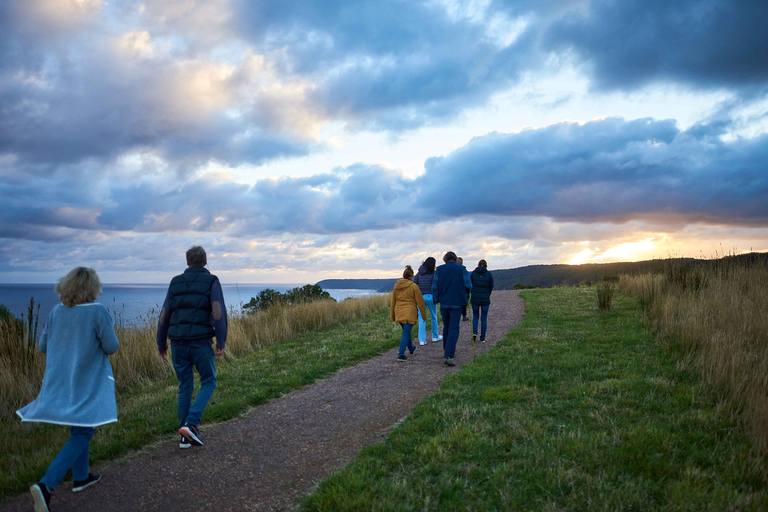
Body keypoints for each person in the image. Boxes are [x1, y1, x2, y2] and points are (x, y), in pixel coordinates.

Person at [17, 267, 119, 512]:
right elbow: (112, 346)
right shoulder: (98, 311)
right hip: (86, 381)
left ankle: (80, 477)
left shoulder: (56, 311)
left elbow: (43, 346)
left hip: (62, 380)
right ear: (91, 288)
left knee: (79, 425)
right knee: (83, 432)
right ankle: (46, 485)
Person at [157, 246, 227, 449]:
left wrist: (161, 342)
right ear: (205, 261)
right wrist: (221, 341)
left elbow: (164, 314)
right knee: (209, 381)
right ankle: (191, 424)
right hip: (201, 342)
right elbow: (218, 312)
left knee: (185, 385)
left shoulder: (175, 282)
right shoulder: (212, 281)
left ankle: (184, 436)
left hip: (177, 343)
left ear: (187, 262)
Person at [432, 251, 471, 366]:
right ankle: (449, 354)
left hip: (444, 303)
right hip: (457, 303)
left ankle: (447, 350)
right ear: (454, 259)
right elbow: (468, 285)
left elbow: (434, 287)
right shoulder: (462, 269)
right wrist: (465, 293)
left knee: (446, 327)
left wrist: (437, 299)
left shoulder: (439, 270)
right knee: (454, 328)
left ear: (445, 259)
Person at [390, 265, 427, 362]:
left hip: (399, 311)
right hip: (409, 312)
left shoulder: (397, 286)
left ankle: (411, 348)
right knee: (406, 333)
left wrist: (392, 315)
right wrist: (424, 315)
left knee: (406, 331)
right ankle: (401, 354)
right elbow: (420, 302)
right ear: (411, 276)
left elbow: (393, 301)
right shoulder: (414, 286)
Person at [412, 256, 442, 345]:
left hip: (420, 297)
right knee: (433, 316)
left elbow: (414, 284)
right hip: (430, 296)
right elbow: (436, 285)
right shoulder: (433, 273)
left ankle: (422, 340)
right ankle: (435, 336)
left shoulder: (419, 273)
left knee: (421, 318)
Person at [470, 259, 494, 343]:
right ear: (486, 266)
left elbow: (470, 285)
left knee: (475, 316)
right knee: (484, 318)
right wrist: (488, 294)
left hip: (475, 298)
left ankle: (474, 332)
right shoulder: (488, 274)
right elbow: (491, 286)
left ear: (478, 265)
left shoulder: (473, 273)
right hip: (485, 298)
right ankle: (482, 337)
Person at [457, 257, 471, 321]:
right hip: (463, 290)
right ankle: (464, 316)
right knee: (464, 303)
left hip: (455, 290)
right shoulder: (464, 270)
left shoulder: (453, 270)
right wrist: (469, 290)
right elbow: (468, 280)